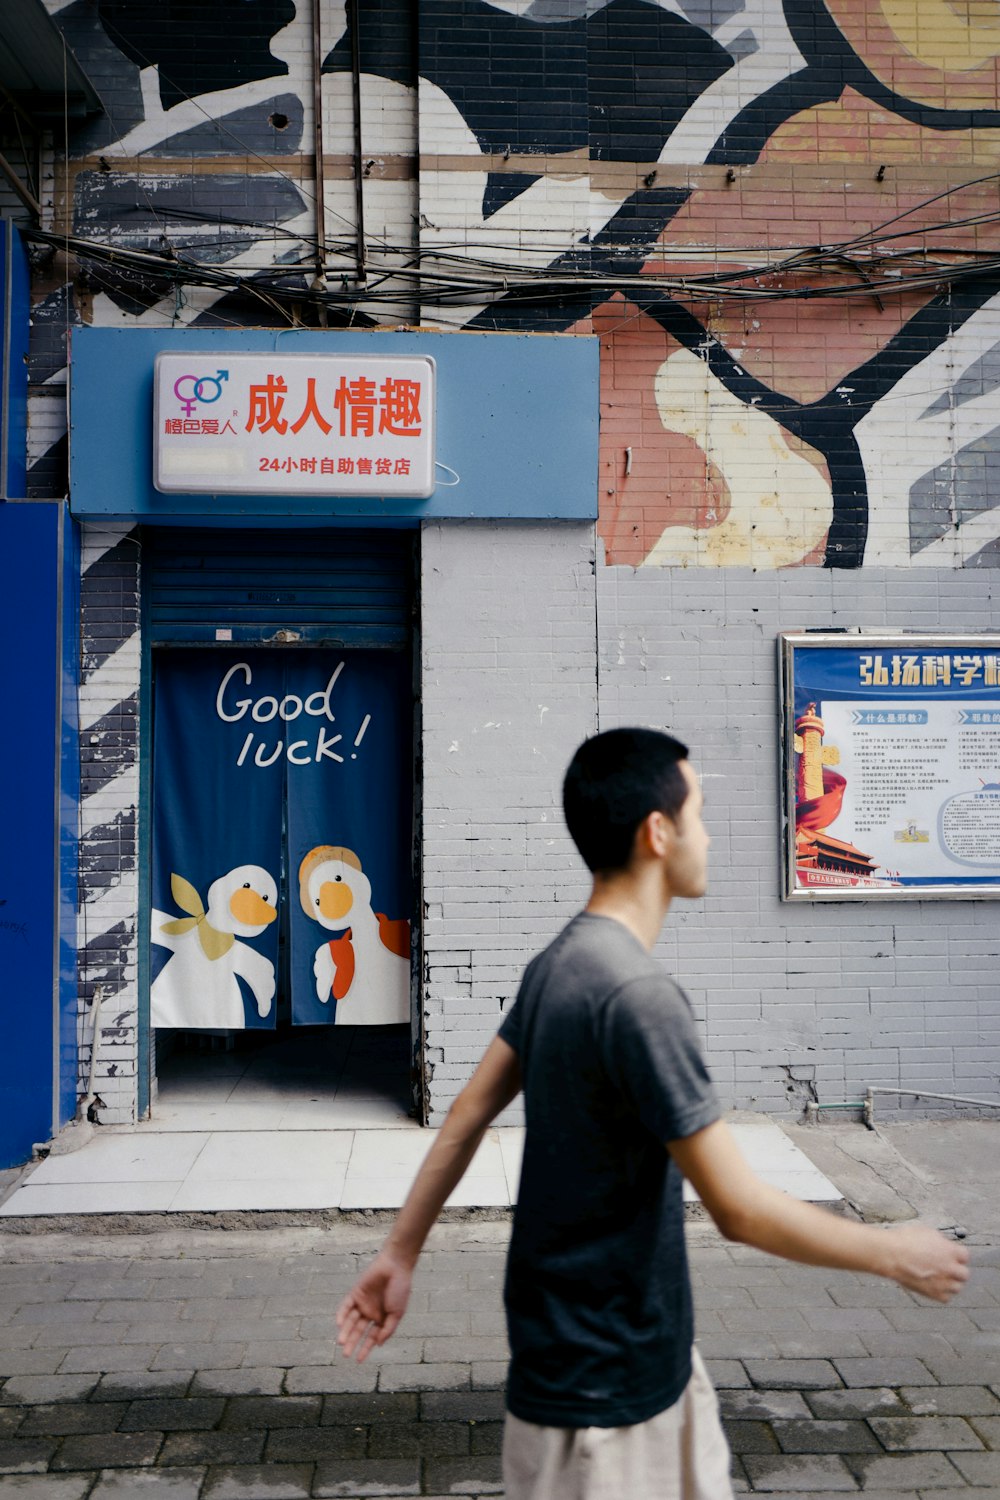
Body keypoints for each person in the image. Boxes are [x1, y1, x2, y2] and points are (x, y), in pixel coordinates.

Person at [336, 727, 970, 1499]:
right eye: (698, 813)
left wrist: (399, 1254)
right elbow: (737, 1209)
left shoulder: (558, 962)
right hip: (610, 1401)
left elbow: (467, 1113)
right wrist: (892, 1253)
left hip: (591, 1358)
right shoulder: (638, 998)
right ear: (658, 832)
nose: (707, 835)